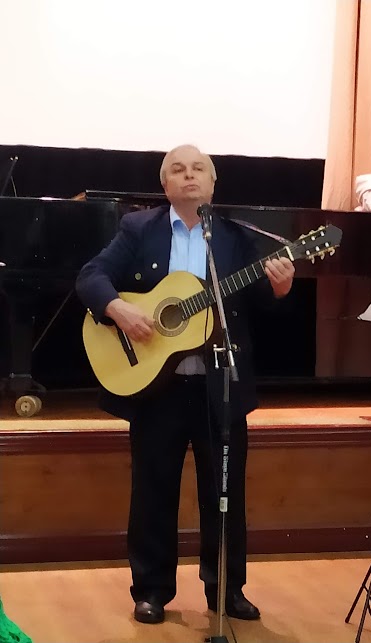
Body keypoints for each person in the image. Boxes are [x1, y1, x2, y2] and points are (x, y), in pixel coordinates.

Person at [76, 144, 295, 625]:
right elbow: (91, 276)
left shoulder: (235, 235)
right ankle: (151, 590)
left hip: (220, 385)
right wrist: (118, 308)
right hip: (157, 389)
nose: (189, 175)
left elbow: (260, 299)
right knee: (153, 492)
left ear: (213, 184)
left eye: (199, 169)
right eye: (178, 169)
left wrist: (279, 287)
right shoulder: (139, 229)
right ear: (165, 184)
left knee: (225, 494)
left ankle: (227, 589)